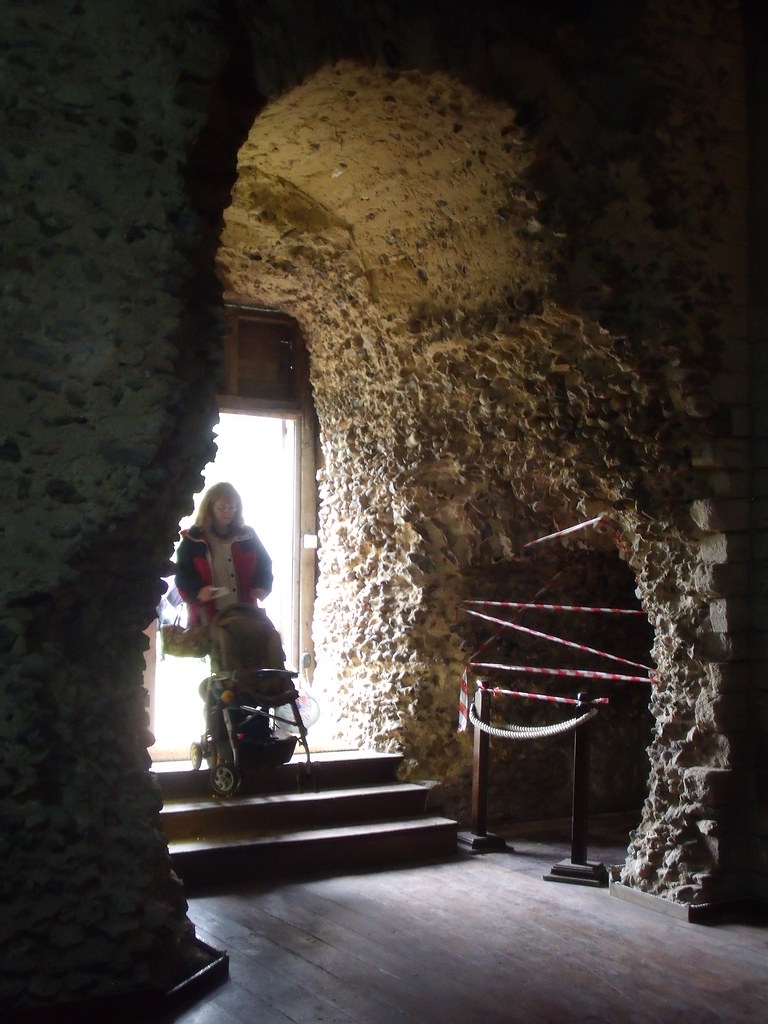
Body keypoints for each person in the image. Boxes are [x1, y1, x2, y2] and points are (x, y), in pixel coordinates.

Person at [174, 482, 285, 673]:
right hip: (211, 614)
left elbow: (264, 563)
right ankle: (229, 693)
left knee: (257, 649)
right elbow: (183, 574)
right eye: (222, 508)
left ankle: (258, 689)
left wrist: (261, 586)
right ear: (210, 507)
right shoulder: (194, 539)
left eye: (232, 508)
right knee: (224, 657)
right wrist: (198, 592)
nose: (228, 512)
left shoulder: (247, 535)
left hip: (244, 610)